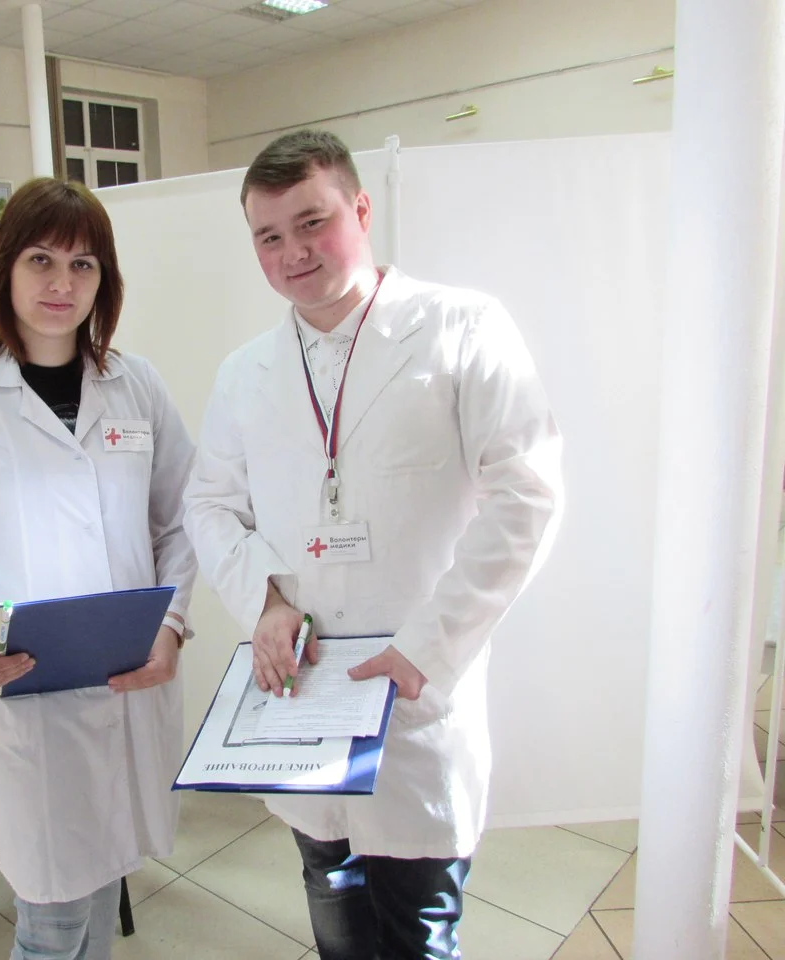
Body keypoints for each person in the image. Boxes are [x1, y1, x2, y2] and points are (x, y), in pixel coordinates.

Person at [183, 129, 564, 960]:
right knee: (334, 914)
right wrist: (265, 601)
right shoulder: (245, 373)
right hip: (306, 695)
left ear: (361, 209)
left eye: (312, 222)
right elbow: (209, 505)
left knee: (417, 932)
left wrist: (430, 646)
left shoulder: (461, 327)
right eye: (269, 236)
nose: (293, 252)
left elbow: (528, 494)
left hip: (416, 695)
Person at [0, 177, 196, 960]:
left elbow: (184, 519)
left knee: (101, 890)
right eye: (41, 259)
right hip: (27, 692)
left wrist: (173, 627)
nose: (62, 283)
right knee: (51, 922)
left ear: (104, 280)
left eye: (83, 265)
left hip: (129, 681)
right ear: (6, 269)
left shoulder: (137, 384)